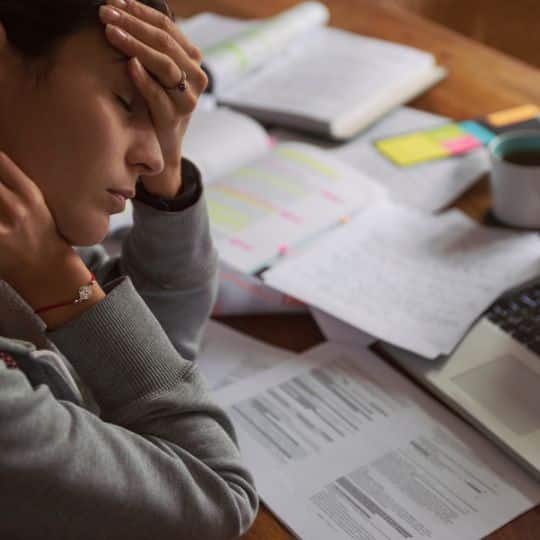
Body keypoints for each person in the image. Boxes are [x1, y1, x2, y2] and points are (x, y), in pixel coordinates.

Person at [0, 0, 258, 538]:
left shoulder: (21, 234)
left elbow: (149, 360)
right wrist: (57, 280)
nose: (156, 159)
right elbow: (217, 496)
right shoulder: (38, 260)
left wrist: (166, 194)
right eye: (125, 101)